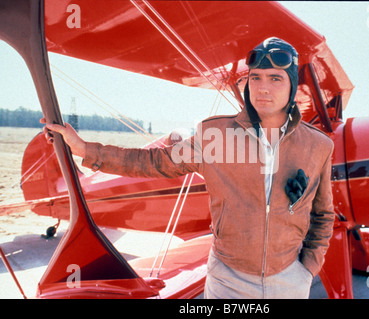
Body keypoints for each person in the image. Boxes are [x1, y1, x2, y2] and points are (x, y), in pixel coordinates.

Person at [41, 37, 335, 299]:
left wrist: (308, 267)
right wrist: (84, 149)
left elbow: (323, 214)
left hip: (289, 281)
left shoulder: (318, 146)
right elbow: (153, 162)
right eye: (255, 77)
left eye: (275, 79)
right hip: (228, 280)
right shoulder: (214, 136)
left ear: (292, 85)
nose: (263, 88)